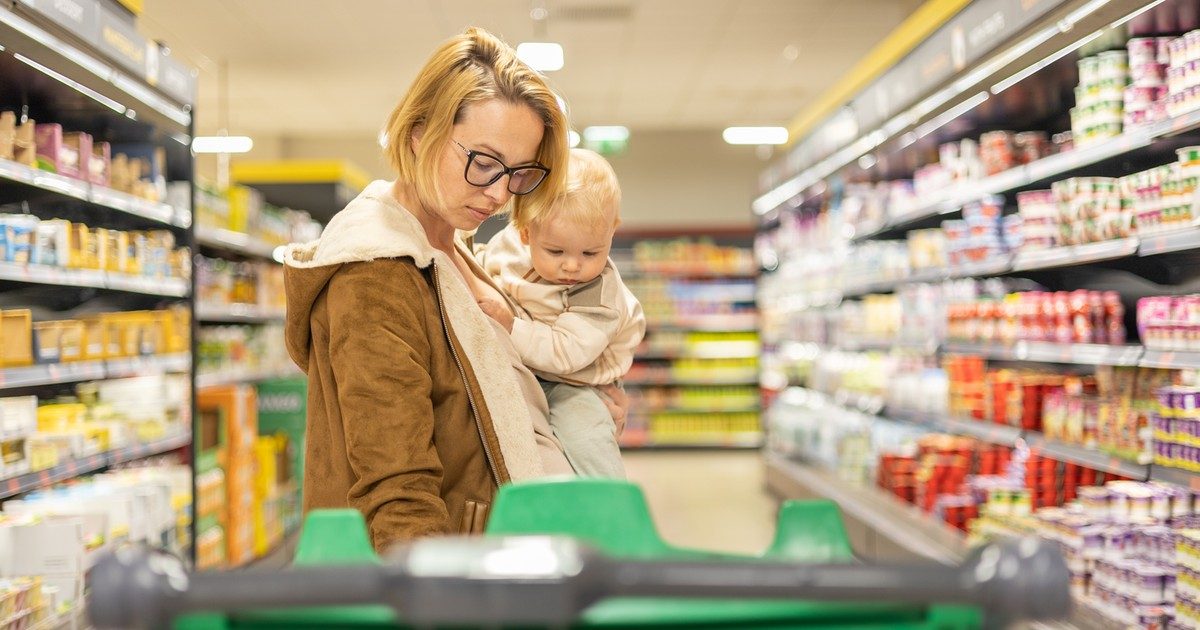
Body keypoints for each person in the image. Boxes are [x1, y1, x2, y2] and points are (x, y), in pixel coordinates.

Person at [281, 26, 628, 551]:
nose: (498, 194)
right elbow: (398, 494)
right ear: (422, 135)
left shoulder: (452, 249)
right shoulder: (375, 275)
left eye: (518, 173)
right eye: (483, 162)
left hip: (497, 558)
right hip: (452, 576)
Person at [476, 149, 645, 478]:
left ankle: (608, 507)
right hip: (529, 371)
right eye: (555, 251)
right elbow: (485, 267)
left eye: (590, 252)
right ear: (526, 233)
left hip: (577, 382)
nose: (572, 265)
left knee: (586, 438)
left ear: (612, 232)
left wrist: (511, 327)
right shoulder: (508, 247)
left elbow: (567, 352)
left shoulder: (600, 294)